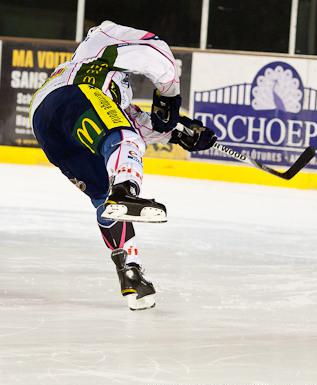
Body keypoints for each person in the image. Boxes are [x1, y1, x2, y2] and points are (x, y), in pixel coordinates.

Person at [29, 21, 217, 310]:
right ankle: (126, 189)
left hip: (48, 126)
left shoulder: (115, 93)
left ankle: (131, 273)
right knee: (124, 140)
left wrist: (182, 132)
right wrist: (169, 98)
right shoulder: (99, 44)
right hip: (71, 95)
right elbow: (158, 53)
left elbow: (137, 121)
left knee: (103, 196)